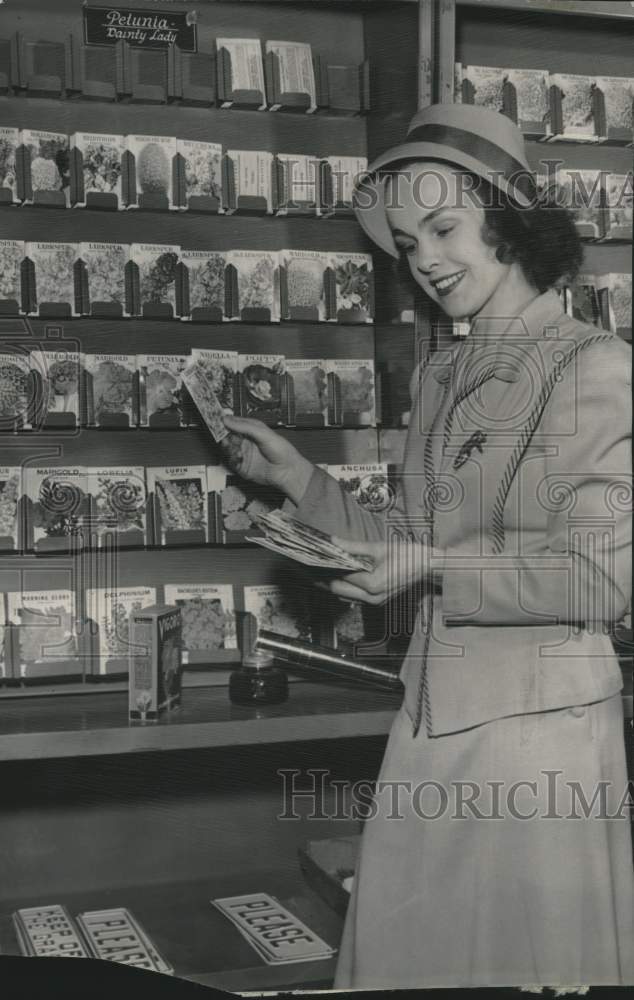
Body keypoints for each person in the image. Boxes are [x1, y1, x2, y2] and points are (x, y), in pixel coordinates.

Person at [222, 104, 633, 989]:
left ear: (510, 219)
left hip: (541, 738)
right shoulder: (444, 371)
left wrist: (435, 565)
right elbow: (408, 547)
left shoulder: (597, 366)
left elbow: (602, 580)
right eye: (407, 244)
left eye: (444, 228)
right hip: (430, 722)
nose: (427, 261)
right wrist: (301, 483)